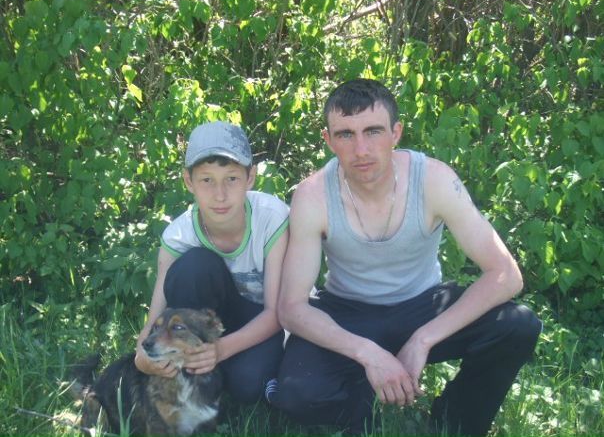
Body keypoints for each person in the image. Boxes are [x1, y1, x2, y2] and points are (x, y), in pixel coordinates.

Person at [268, 79, 541, 437]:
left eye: (373, 131)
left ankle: (453, 423)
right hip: (348, 309)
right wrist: (367, 353)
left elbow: (506, 274)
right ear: (329, 140)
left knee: (518, 325)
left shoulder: (433, 180)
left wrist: (423, 339)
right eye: (346, 134)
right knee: (296, 395)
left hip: (422, 304)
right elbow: (291, 307)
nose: (361, 149)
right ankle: (365, 406)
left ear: (396, 133)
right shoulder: (313, 195)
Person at [135, 121, 289, 403]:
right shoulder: (178, 235)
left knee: (247, 385)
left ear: (250, 177)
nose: (220, 195)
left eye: (232, 179)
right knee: (194, 266)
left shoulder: (272, 218)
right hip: (211, 320)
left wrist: (222, 349)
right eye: (207, 180)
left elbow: (277, 311)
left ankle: (219, 367)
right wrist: (140, 356)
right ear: (188, 181)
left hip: (265, 319)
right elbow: (157, 314)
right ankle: (196, 366)